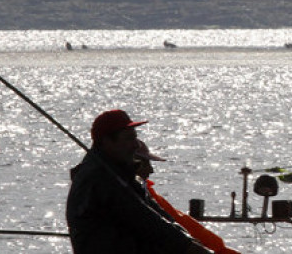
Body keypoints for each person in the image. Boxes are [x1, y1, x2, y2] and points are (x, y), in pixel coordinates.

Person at [66, 109, 213, 254]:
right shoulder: (99, 178)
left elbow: (156, 213)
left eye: (135, 138)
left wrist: (188, 240)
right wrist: (189, 247)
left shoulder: (121, 175)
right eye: (129, 138)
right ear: (107, 142)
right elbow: (144, 219)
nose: (136, 145)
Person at [135, 140, 241, 254]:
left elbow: (181, 223)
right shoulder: (136, 197)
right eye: (145, 163)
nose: (151, 170)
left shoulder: (145, 192)